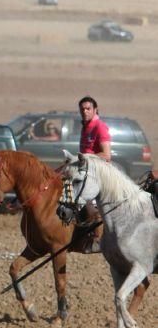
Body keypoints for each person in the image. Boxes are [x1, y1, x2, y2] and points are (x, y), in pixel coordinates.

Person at [76, 95, 111, 253]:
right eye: (82, 109)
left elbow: (106, 155)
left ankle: (97, 238)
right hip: (85, 170)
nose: (85, 111)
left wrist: (87, 157)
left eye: (88, 108)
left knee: (89, 200)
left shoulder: (99, 127)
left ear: (95, 109)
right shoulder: (85, 126)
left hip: (98, 171)